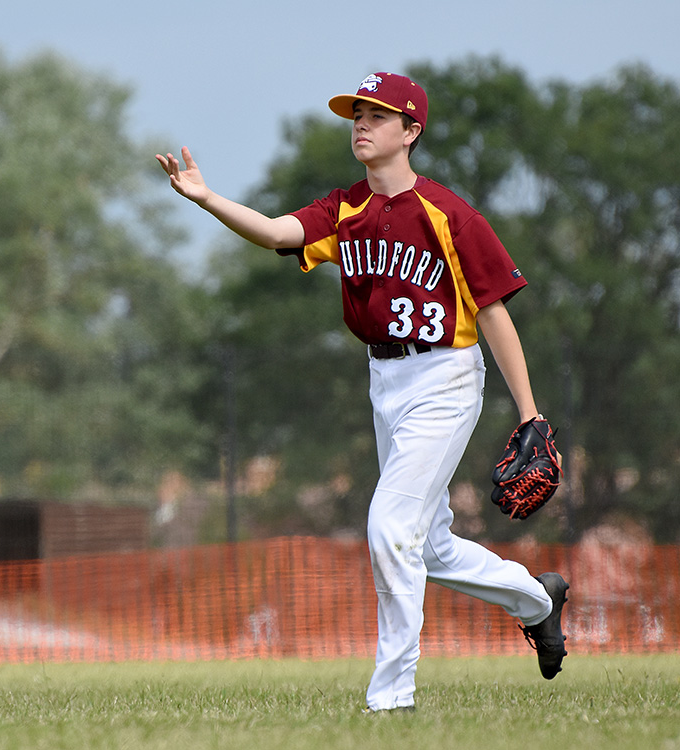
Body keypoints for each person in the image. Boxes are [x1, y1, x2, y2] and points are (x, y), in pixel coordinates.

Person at [156, 71, 569, 713]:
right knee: (427, 545)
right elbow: (277, 232)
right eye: (357, 115)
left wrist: (530, 414)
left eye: (377, 116)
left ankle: (392, 696)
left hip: (445, 376)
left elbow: (493, 313)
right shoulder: (344, 209)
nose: (361, 125)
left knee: (388, 527)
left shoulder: (450, 214)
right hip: (385, 379)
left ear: (410, 131)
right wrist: (208, 198)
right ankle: (539, 601)